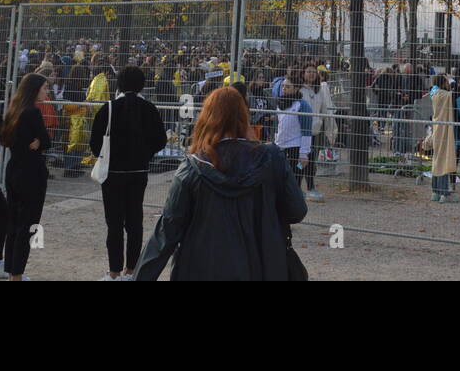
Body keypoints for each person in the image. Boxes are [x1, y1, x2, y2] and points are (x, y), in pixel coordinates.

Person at [134, 87, 308, 280]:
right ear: (244, 116)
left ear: (206, 118)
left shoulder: (192, 168)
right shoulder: (273, 159)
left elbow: (166, 234)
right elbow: (297, 210)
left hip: (202, 267)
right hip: (261, 265)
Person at [89, 65, 168, 280]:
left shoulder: (109, 108)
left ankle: (114, 272)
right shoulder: (148, 108)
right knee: (135, 221)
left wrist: (106, 155)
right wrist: (145, 153)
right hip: (138, 172)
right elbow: (161, 139)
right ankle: (131, 270)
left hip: (113, 172)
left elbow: (94, 142)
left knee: (113, 223)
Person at [0, 72, 52, 280]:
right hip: (32, 172)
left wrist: (38, 141)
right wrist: (40, 141)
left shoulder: (14, 110)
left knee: (14, 221)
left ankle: (11, 269)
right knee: (28, 223)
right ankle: (17, 273)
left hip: (14, 169)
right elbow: (47, 141)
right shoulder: (33, 113)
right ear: (34, 90)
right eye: (45, 88)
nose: (47, 92)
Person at [300, 67, 333, 201]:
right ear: (303, 73)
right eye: (308, 71)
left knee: (311, 160)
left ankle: (310, 186)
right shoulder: (300, 89)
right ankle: (297, 186)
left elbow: (324, 108)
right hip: (301, 132)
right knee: (301, 161)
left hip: (314, 131)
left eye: (314, 72)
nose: (311, 74)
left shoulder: (319, 90)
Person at [423, 79, 458, 202]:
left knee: (437, 160)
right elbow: (453, 93)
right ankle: (444, 193)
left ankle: (435, 191)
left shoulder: (434, 92)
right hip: (444, 128)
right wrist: (454, 83)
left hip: (437, 126)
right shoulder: (443, 94)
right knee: (443, 160)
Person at [274, 78, 312, 188]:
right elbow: (277, 126)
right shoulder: (280, 105)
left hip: (296, 148)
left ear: (295, 89)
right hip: (281, 147)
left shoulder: (302, 105)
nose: (284, 89)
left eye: (287, 87)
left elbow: (306, 131)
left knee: (296, 177)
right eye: (283, 86)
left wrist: (304, 153)